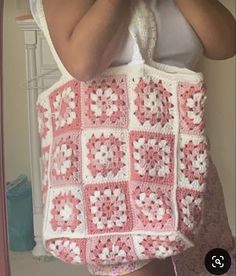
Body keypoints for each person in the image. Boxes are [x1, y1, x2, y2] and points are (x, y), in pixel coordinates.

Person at [30, 0, 235, 275]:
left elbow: (226, 44)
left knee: (207, 266)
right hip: (113, 188)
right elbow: (83, 64)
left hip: (184, 171)